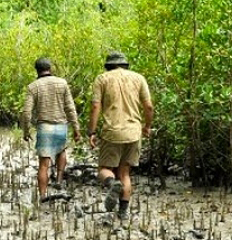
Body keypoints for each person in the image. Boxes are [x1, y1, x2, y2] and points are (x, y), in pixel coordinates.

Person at [88, 52, 153, 217]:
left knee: (104, 169)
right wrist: (147, 126)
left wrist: (92, 131)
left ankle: (111, 184)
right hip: (133, 132)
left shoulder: (102, 79)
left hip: (112, 132)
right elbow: (149, 107)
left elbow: (95, 107)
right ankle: (123, 212)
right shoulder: (139, 78)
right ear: (125, 65)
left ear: (108, 65)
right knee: (125, 172)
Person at [21, 57, 81, 198]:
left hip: (44, 127)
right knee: (62, 151)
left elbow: (26, 112)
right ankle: (59, 179)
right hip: (61, 126)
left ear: (37, 70)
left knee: (43, 164)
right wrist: (77, 129)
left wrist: (26, 130)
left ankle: (42, 195)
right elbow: (70, 108)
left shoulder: (33, 86)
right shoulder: (62, 83)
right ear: (50, 68)